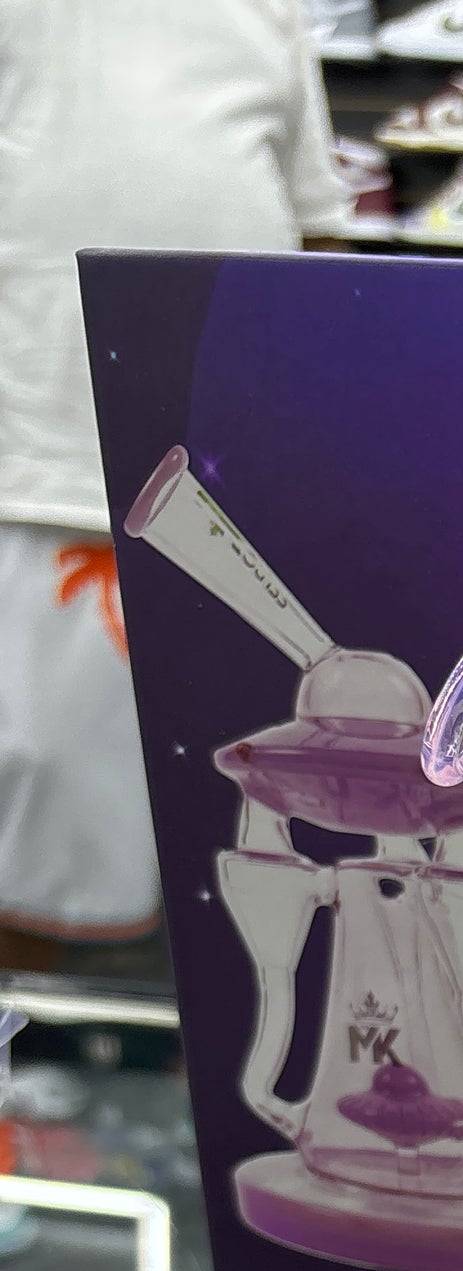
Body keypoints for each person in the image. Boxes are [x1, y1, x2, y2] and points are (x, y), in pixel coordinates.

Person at [0, 0, 345, 967]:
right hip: (38, 466)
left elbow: (316, 228)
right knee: (35, 831)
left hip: (231, 485)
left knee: (247, 837)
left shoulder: (266, 12)